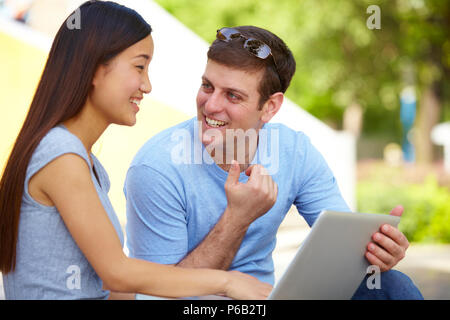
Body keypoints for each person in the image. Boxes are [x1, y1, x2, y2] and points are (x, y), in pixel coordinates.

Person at [124, 26, 423, 299]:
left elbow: (343, 247)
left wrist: (376, 251)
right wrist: (237, 218)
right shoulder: (157, 167)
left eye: (232, 95)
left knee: (392, 286)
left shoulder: (295, 151)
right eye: (207, 86)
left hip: (267, 299)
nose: (211, 105)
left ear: (270, 107)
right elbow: (159, 295)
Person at [0, 2, 272, 300]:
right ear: (94, 68)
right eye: (139, 66)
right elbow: (118, 273)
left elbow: (117, 288)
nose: (147, 85)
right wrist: (226, 282)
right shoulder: (61, 155)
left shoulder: (84, 161)